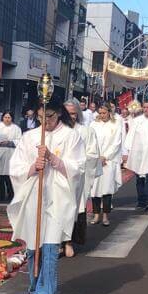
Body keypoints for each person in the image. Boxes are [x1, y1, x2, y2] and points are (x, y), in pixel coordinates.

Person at [7, 103, 85, 294]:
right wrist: (34, 167)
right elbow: (16, 167)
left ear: (58, 113)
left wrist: (53, 159)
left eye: (49, 116)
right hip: (34, 197)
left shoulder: (71, 136)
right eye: (40, 117)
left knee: (50, 249)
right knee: (33, 249)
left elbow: (78, 167)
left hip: (58, 199)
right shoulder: (29, 137)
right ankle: (33, 288)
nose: (45, 122)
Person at [65, 99, 100, 258]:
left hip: (78, 177)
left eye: (73, 113)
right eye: (67, 113)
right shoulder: (57, 131)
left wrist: (77, 164)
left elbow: (93, 154)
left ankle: (69, 241)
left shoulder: (87, 131)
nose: (70, 116)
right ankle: (59, 242)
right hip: (60, 176)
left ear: (78, 114)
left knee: (75, 209)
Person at [90, 104, 123, 227]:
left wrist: (105, 156)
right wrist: (97, 157)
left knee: (106, 189)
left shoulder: (116, 124)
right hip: (96, 159)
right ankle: (96, 214)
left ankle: (105, 215)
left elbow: (116, 143)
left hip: (109, 161)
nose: (102, 115)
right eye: (100, 113)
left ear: (109, 112)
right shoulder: (94, 125)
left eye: (104, 113)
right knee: (95, 189)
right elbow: (90, 141)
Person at [0, 111, 21, 203]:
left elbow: (19, 140)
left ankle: (11, 195)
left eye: (9, 117)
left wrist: (9, 143)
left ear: (12, 118)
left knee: (9, 176)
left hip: (10, 154)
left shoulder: (16, 128)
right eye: (5, 117)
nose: (7, 119)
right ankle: (0, 196)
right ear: (2, 118)